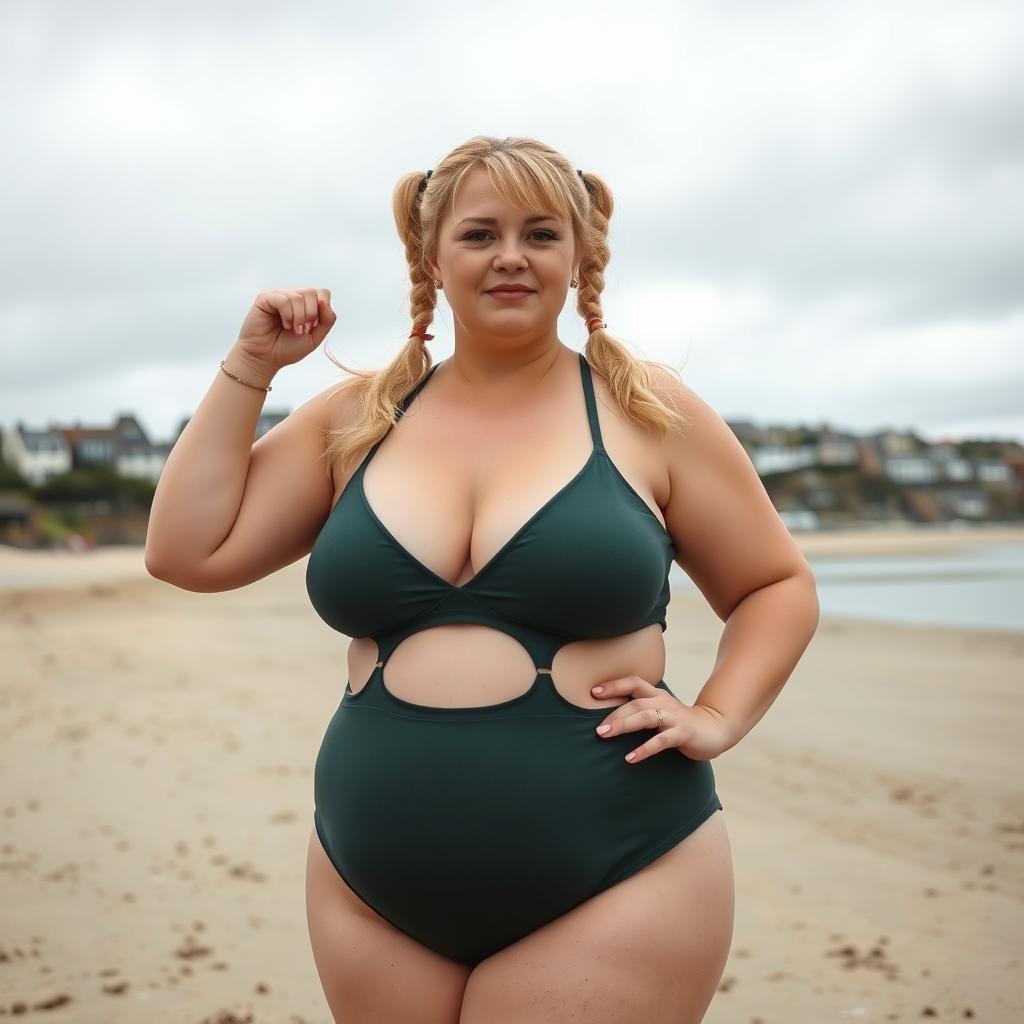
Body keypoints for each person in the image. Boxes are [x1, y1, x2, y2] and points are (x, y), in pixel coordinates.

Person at [145, 134, 820, 1024]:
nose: (510, 256)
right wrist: (252, 368)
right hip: (370, 880)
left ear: (579, 256)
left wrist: (718, 715)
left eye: (541, 234)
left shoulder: (648, 413)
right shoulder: (358, 418)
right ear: (432, 255)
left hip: (616, 864)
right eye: (479, 234)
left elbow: (776, 586)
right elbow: (187, 552)